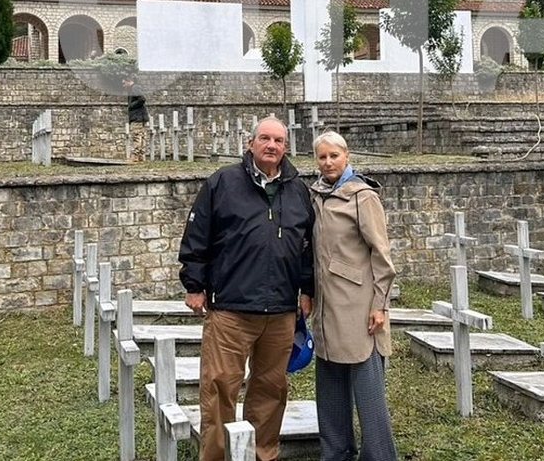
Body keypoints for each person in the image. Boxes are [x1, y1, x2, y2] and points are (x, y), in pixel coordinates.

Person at [178, 116, 314, 461]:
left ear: (286, 147)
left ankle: (262, 454)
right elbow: (197, 238)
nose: (272, 146)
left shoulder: (297, 190)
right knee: (220, 388)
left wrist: (306, 290)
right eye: (265, 139)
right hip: (231, 310)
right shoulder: (222, 183)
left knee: (271, 390)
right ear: (250, 143)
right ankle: (218, 457)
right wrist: (195, 285)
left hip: (281, 312)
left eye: (279, 141)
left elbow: (309, 247)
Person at [309, 131, 398, 461]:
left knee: (368, 390)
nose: (328, 162)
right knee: (330, 386)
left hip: (359, 306)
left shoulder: (362, 196)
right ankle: (336, 453)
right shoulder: (317, 194)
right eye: (322, 157)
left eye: (334, 155)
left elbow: (382, 256)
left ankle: (379, 456)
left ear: (346, 157)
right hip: (326, 305)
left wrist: (380, 306)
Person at [122, 76, 149, 162]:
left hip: (137, 117)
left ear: (129, 81)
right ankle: (141, 156)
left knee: (137, 136)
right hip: (141, 116)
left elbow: (142, 99)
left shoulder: (134, 88)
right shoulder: (133, 89)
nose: (123, 85)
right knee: (142, 137)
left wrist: (131, 106)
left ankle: (135, 157)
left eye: (124, 83)